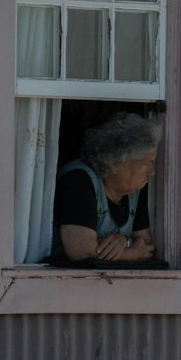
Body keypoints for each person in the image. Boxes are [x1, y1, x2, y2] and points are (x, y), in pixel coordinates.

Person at [51, 113, 161, 264]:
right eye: (147, 163)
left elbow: (146, 244)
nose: (152, 172)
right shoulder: (78, 180)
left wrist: (123, 240)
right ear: (116, 163)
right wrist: (131, 254)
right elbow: (82, 252)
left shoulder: (136, 188)